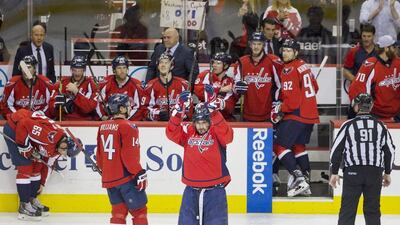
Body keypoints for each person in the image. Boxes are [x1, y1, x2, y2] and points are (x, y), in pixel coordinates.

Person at [166, 91, 233, 225]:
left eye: (204, 122)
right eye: (198, 123)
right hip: (191, 191)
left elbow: (228, 136)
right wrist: (178, 112)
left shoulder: (216, 132)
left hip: (215, 192)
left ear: (210, 121)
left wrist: (214, 112)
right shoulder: (189, 132)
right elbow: (171, 133)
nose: (201, 126)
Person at [2, 109, 80, 221]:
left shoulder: (60, 146)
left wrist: (42, 183)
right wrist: (25, 148)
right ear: (64, 145)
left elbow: (49, 165)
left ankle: (31, 200)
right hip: (14, 127)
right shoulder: (48, 135)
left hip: (26, 129)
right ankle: (24, 205)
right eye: (65, 152)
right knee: (25, 167)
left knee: (37, 166)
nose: (62, 155)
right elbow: (23, 123)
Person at [329, 93, 395, 225]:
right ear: (371, 107)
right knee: (373, 211)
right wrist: (387, 172)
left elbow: (336, 151)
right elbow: (390, 151)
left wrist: (334, 172)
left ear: (357, 106)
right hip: (374, 173)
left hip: (353, 172)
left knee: (347, 210)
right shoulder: (381, 126)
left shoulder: (348, 125)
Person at [271, 39, 320, 197]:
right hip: (310, 114)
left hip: (297, 114)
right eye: (284, 50)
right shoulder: (303, 66)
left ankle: (298, 178)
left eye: (289, 50)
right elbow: (315, 88)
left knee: (279, 146)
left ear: (296, 53)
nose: (285, 53)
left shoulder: (289, 69)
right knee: (298, 146)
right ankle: (306, 181)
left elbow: (291, 103)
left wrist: (280, 108)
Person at [96, 93, 148, 225]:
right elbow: (129, 156)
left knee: (118, 212)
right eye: (128, 105)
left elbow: (99, 155)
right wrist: (139, 172)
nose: (130, 107)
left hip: (109, 179)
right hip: (126, 178)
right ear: (122, 109)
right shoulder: (129, 126)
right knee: (139, 212)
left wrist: (105, 170)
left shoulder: (103, 126)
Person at [233, 31, 283, 122]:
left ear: (263, 45)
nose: (256, 47)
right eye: (254, 44)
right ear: (250, 45)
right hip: (247, 114)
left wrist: (276, 104)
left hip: (268, 114)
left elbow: (280, 86)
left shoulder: (273, 61)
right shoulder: (242, 62)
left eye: (259, 44)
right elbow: (235, 87)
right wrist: (237, 87)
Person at [348, 35, 400, 120]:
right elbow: (356, 89)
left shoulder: (398, 63)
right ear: (386, 48)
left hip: (396, 116)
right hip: (375, 116)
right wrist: (365, 115)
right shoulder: (370, 64)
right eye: (393, 47)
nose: (396, 49)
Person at [48, 55, 98, 120]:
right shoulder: (62, 83)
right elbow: (51, 109)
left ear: (84, 70)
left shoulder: (91, 84)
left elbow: (89, 108)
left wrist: (76, 93)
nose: (77, 73)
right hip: (65, 121)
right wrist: (57, 106)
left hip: (85, 122)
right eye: (75, 69)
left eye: (80, 69)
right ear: (71, 69)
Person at [343, 24, 377, 118]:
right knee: (353, 119)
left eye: (369, 36)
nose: (366, 39)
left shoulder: (379, 52)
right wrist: (358, 81)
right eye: (364, 36)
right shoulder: (354, 51)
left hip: (376, 94)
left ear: (373, 36)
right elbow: (345, 71)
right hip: (358, 95)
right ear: (361, 36)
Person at [96, 55, 144, 121]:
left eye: (124, 68)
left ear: (127, 69)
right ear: (114, 70)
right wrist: (103, 116)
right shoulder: (106, 83)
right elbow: (98, 102)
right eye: (119, 68)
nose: (122, 71)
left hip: (129, 122)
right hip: (109, 121)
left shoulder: (136, 84)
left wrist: (124, 119)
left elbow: (139, 108)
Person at [145, 53, 190, 121]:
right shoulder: (150, 86)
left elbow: (189, 108)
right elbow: (145, 109)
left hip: (177, 125)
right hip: (157, 125)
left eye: (166, 63)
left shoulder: (183, 84)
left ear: (171, 66)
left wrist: (175, 114)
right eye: (161, 63)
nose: (163, 65)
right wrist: (158, 114)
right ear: (158, 66)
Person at [194, 52, 238, 121]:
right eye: (213, 62)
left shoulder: (230, 82)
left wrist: (220, 103)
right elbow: (199, 93)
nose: (214, 65)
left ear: (226, 66)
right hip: (205, 119)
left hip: (224, 118)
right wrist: (220, 89)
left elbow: (230, 106)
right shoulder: (205, 75)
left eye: (218, 63)